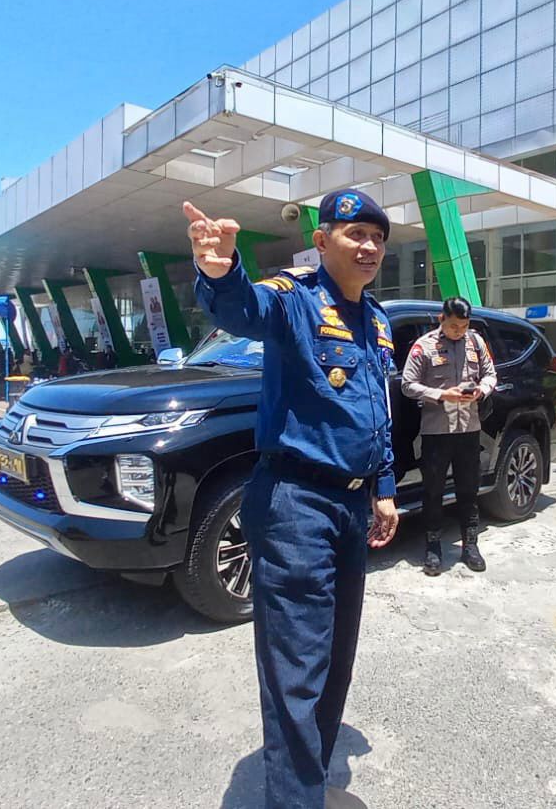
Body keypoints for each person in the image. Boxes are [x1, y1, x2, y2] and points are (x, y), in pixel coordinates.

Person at [186, 189, 400, 808]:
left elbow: (376, 413)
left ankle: (310, 779)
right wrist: (219, 270)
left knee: (335, 658)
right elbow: (242, 310)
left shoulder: (378, 321)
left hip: (352, 507)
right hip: (295, 503)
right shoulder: (295, 300)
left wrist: (383, 491)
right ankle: (294, 799)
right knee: (297, 669)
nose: (369, 247)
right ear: (322, 240)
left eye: (378, 238)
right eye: (355, 233)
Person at [401, 296, 498, 575]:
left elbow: (491, 375)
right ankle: (433, 548)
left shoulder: (476, 342)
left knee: (469, 489)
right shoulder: (424, 346)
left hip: (469, 429)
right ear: (442, 319)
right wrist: (441, 394)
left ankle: (470, 545)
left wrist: (483, 389)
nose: (459, 331)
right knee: (433, 491)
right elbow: (408, 385)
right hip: (436, 432)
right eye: (454, 326)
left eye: (464, 326)